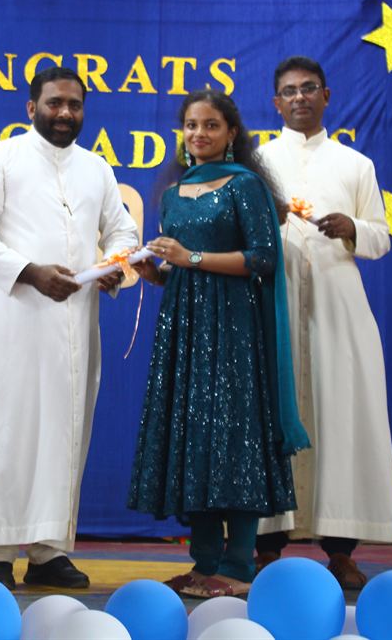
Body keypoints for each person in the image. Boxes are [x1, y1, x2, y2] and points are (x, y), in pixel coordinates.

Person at [0, 66, 139, 590]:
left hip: (74, 324)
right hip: (11, 320)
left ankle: (49, 552)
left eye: (74, 105)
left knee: (64, 432)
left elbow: (123, 231)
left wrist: (113, 267)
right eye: (54, 103)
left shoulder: (96, 168)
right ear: (31, 108)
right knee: (5, 431)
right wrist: (30, 272)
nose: (65, 113)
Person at [127, 89, 308, 598]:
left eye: (210, 125)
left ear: (231, 133)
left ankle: (238, 565)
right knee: (194, 439)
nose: (199, 134)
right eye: (191, 125)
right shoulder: (173, 192)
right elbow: (182, 267)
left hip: (234, 330)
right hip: (185, 331)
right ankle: (203, 562)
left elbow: (263, 258)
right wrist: (159, 273)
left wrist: (190, 258)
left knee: (236, 438)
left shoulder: (245, 185)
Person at [254, 56, 392, 589]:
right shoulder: (257, 162)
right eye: (289, 91)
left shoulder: (355, 164)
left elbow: (381, 238)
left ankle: (341, 550)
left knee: (341, 417)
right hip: (272, 301)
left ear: (326, 96)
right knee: (272, 413)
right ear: (276, 102)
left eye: (309, 88)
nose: (300, 98)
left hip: (338, 305)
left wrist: (352, 227)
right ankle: (265, 545)